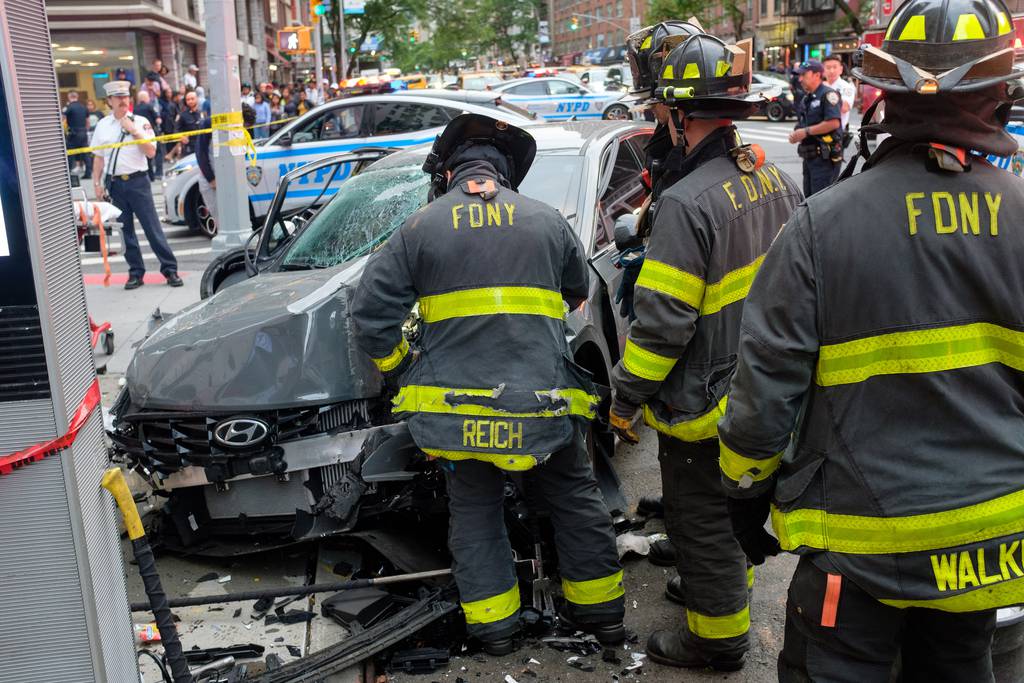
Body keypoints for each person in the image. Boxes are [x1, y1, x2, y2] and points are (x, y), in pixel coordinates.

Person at [718, 0, 1024, 679]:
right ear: (1002, 92)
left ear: (882, 93)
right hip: (985, 558)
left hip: (854, 562)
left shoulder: (821, 225)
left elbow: (765, 390)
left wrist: (744, 492)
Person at [351, 113, 625, 657]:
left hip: (457, 413)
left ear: (448, 172)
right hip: (545, 404)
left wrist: (403, 369)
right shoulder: (547, 221)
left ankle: (496, 630)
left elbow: (369, 317)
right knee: (573, 498)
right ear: (507, 173)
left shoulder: (419, 228)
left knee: (474, 511)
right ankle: (604, 617)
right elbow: (576, 295)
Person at [609, 33, 801, 671]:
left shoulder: (687, 203)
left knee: (702, 523)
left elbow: (663, 327)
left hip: (701, 405)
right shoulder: (770, 177)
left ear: (680, 113)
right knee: (737, 514)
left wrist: (625, 395)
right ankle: (725, 595)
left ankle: (716, 639)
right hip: (759, 392)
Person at [89, 80, 180, 290]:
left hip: (138, 181)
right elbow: (98, 158)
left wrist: (133, 131)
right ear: (110, 101)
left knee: (152, 228)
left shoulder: (141, 121)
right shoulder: (103, 125)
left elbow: (151, 152)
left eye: (125, 97)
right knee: (125, 231)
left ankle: (169, 269)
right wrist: (96, 183)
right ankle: (136, 272)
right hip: (115, 184)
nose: (123, 101)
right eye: (118, 98)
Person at [195, 103, 256, 228]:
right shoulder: (210, 124)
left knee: (238, 219)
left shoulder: (238, 130)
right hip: (212, 181)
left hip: (230, 180)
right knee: (221, 222)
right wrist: (211, 178)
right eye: (244, 126)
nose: (244, 130)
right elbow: (200, 152)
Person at [788, 59, 842, 196]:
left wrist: (806, 132)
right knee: (809, 198)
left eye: (804, 75)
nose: (800, 79)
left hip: (824, 159)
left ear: (817, 75)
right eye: (799, 75)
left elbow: (834, 122)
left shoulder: (828, 95)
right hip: (810, 157)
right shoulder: (807, 98)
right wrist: (797, 133)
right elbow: (804, 122)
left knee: (821, 202)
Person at [822, 54, 857, 146]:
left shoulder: (846, 87)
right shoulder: (820, 86)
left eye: (834, 67)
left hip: (836, 133)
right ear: (823, 70)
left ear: (841, 69)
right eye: (828, 67)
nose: (831, 70)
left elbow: (845, 108)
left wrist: (827, 94)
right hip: (819, 131)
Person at [134, 90, 162, 180]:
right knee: (158, 152)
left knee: (146, 156)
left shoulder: (135, 109)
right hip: (151, 132)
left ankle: (151, 176)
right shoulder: (150, 107)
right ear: (145, 98)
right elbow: (158, 119)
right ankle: (159, 173)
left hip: (140, 135)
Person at [63, 90, 91, 178]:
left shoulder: (68, 107)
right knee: (86, 154)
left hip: (73, 133)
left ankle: (69, 174)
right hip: (83, 132)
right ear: (77, 97)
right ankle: (88, 173)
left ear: (69, 97)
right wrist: (85, 130)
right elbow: (88, 121)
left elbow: (63, 118)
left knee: (70, 153)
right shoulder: (84, 107)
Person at [174, 90, 203, 156]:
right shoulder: (182, 115)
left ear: (197, 99)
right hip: (190, 147)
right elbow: (176, 130)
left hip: (203, 144)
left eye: (192, 99)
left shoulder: (203, 112)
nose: (190, 101)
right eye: (188, 99)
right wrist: (181, 137)